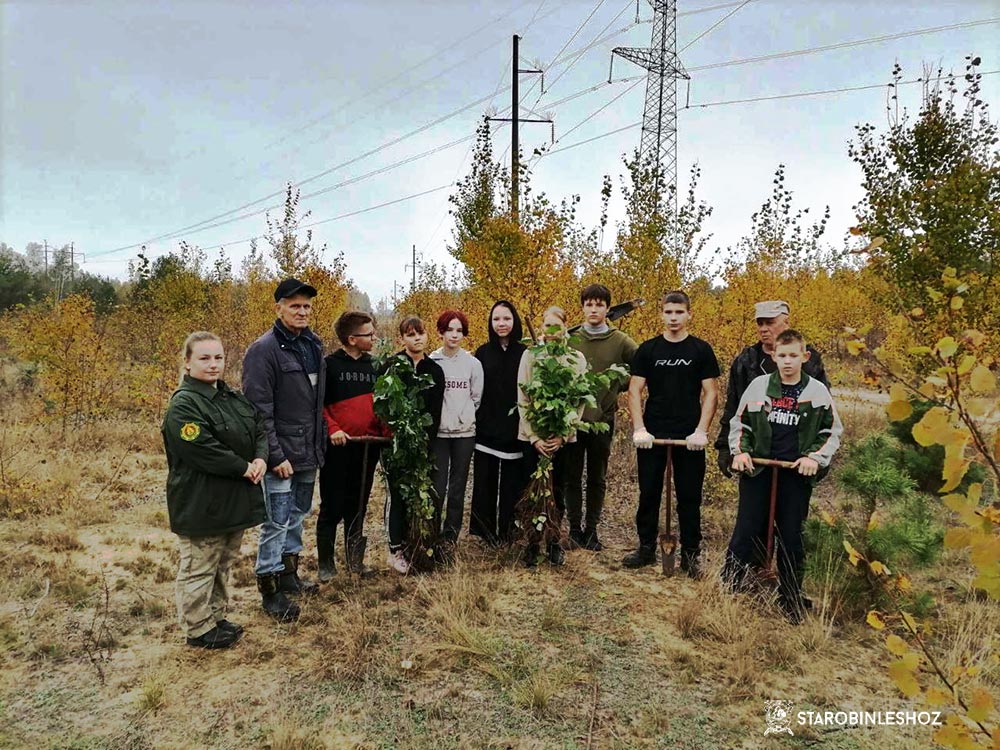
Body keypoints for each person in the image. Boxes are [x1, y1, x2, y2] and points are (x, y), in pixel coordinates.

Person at [722, 329, 843, 623]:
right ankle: (728, 588)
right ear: (773, 356)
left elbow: (831, 432)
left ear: (805, 357)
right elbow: (740, 424)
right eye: (782, 356)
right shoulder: (758, 387)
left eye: (793, 356)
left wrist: (814, 458)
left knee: (791, 536)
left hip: (794, 474)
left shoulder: (816, 391)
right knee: (746, 529)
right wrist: (740, 453)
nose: (787, 362)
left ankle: (790, 597)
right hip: (758, 470)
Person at [162, 332, 267, 649]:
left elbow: (258, 424)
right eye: (204, 358)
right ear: (187, 362)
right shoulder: (184, 405)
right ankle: (198, 629)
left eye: (218, 357)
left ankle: (216, 618)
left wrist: (261, 456)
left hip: (232, 500)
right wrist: (243, 466)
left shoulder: (230, 397)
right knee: (199, 566)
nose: (213, 364)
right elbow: (200, 448)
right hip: (201, 501)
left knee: (222, 563)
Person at [243, 278, 326, 622]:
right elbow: (258, 408)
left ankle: (290, 573)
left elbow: (316, 400)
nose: (302, 311)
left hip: (308, 451)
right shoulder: (263, 350)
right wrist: (274, 455)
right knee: (276, 520)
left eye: (306, 306)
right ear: (278, 308)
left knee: (298, 514)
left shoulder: (314, 344)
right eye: (295, 306)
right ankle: (270, 587)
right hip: (282, 453)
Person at [625, 291, 720, 577]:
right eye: (668, 312)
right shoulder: (649, 350)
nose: (674, 318)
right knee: (649, 493)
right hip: (653, 433)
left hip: (688, 436)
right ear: (661, 314)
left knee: (689, 497)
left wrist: (701, 431)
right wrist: (639, 428)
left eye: (679, 312)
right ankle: (645, 549)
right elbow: (634, 390)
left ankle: (691, 556)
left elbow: (711, 392)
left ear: (689, 314)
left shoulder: (700, 350)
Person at [714, 300, 828, 477]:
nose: (763, 329)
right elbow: (734, 406)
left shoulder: (809, 361)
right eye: (760, 323)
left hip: (796, 458)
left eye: (770, 322)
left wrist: (817, 457)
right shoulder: (747, 361)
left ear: (786, 323)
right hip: (754, 457)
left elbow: (823, 413)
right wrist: (725, 446)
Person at [564, 283, 638, 550]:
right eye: (589, 304)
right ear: (583, 307)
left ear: (608, 309)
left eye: (599, 305)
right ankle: (574, 529)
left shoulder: (621, 341)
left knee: (597, 477)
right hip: (572, 421)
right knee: (572, 477)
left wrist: (619, 383)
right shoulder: (570, 338)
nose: (594, 309)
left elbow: (640, 370)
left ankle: (591, 531)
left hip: (602, 420)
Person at [317, 311, 389, 581]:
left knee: (357, 503)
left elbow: (382, 404)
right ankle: (325, 564)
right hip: (338, 448)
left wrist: (385, 430)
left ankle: (355, 561)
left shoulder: (376, 366)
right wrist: (333, 430)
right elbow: (319, 406)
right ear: (351, 339)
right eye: (368, 334)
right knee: (332, 505)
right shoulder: (330, 366)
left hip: (367, 448)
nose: (374, 338)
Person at [517, 306, 589, 565]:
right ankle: (532, 542)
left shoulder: (576, 358)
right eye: (546, 325)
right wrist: (534, 436)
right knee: (534, 489)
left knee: (558, 490)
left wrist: (563, 434)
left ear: (565, 327)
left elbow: (577, 401)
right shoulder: (531, 356)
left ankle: (554, 540)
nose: (551, 331)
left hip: (561, 440)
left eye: (556, 325)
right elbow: (523, 398)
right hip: (533, 438)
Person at [384, 316, 445, 574]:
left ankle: (420, 544)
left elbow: (435, 411)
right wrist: (399, 438)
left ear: (427, 335)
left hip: (424, 446)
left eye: (420, 333)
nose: (416, 338)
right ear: (402, 339)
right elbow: (386, 407)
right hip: (397, 446)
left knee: (423, 494)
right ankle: (395, 549)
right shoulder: (393, 367)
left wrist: (424, 442)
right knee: (398, 496)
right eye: (410, 334)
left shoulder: (434, 370)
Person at [469, 301, 528, 546]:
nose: (501, 324)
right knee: (485, 482)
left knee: (512, 484)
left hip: (515, 428)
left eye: (506, 319)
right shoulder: (482, 353)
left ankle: (509, 531)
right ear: (490, 324)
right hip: (487, 429)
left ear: (514, 321)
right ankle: (484, 532)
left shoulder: (525, 352)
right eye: (496, 319)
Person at [429, 310, 484, 546]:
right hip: (440, 434)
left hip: (464, 434)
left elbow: (476, 397)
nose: (454, 335)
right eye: (449, 329)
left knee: (458, 486)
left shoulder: (473, 364)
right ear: (441, 332)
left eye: (459, 330)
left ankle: (450, 535)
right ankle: (431, 532)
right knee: (437, 486)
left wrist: (465, 415)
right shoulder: (431, 362)